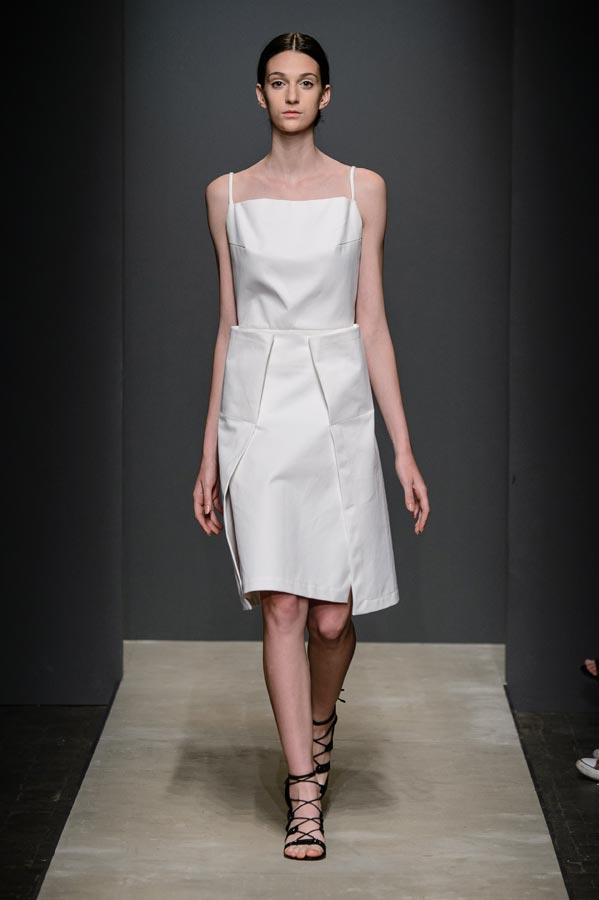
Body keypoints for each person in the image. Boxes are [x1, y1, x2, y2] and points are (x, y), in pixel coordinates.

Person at [193, 32, 430, 861]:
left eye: (304, 82)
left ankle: (319, 727)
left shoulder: (363, 188)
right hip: (257, 409)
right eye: (276, 81)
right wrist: (207, 453)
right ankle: (303, 792)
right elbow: (227, 326)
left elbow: (372, 321)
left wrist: (402, 449)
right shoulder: (225, 194)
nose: (290, 95)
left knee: (333, 616)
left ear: (325, 96)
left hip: (336, 407)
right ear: (259, 94)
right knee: (283, 606)